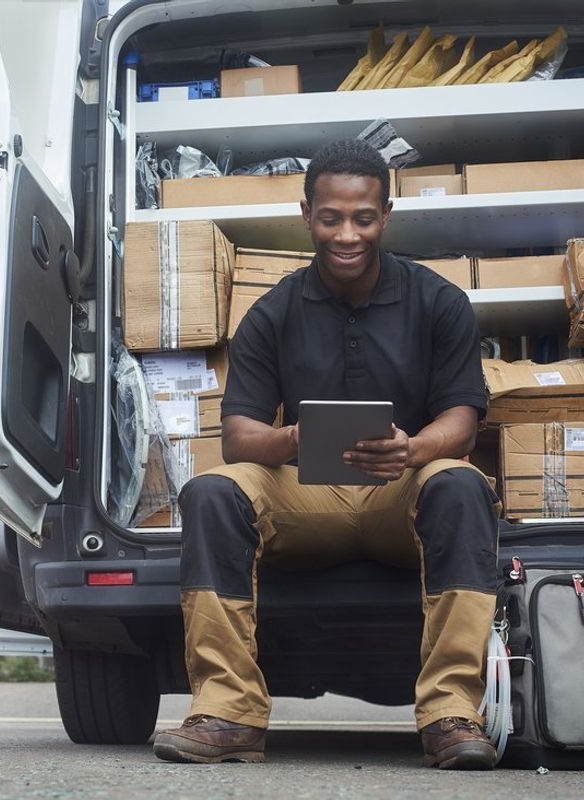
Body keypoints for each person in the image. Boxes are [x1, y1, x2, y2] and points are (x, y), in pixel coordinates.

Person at [152, 139, 501, 770]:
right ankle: (229, 713)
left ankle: (452, 714)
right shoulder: (272, 312)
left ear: (385, 215)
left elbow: (463, 421)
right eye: (331, 218)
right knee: (212, 491)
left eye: (363, 218)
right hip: (306, 496)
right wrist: (294, 439)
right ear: (306, 214)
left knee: (461, 482)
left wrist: (413, 448)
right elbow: (238, 436)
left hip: (402, 493)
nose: (347, 235)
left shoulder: (438, 301)